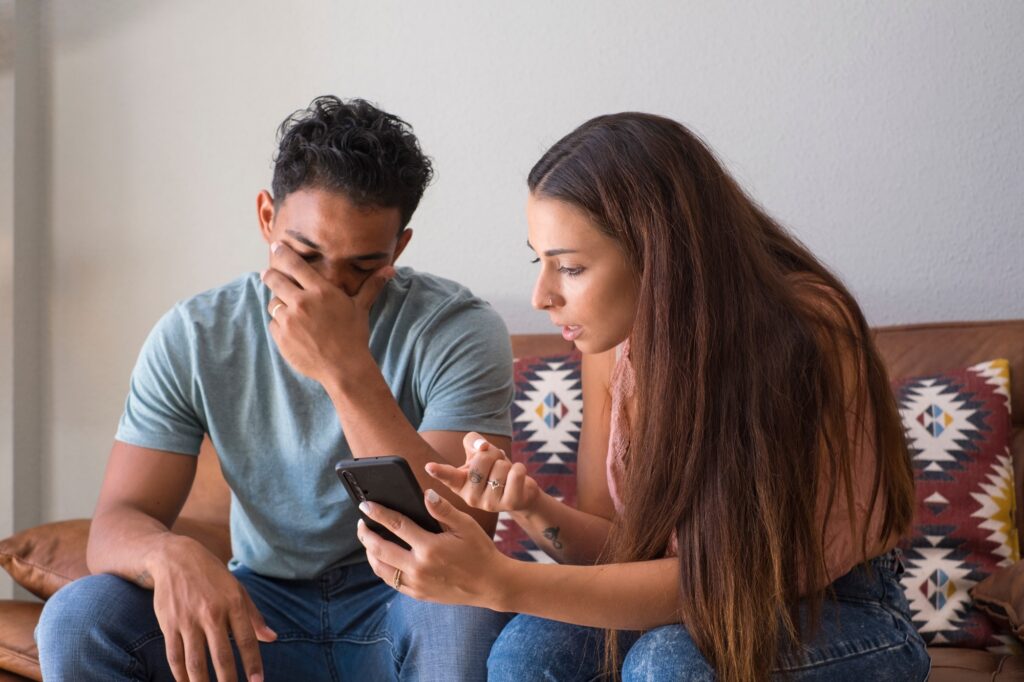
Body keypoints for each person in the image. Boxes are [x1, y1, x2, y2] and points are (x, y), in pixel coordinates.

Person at [352, 112, 932, 681]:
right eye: (539, 260)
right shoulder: (612, 344)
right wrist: (530, 507)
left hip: (842, 609)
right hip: (698, 602)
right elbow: (619, 559)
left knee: (667, 667)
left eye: (569, 267)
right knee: (526, 652)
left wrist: (500, 582)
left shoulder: (807, 328)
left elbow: (724, 582)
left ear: (659, 253)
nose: (541, 296)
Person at [36, 96, 514, 682]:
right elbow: (117, 520)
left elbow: (461, 532)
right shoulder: (196, 334)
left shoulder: (458, 328)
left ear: (400, 246)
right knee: (77, 620)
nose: (325, 290)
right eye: (307, 255)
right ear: (267, 217)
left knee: (464, 609)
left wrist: (344, 369)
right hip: (257, 610)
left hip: (403, 597)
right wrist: (167, 552)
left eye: (362, 267)